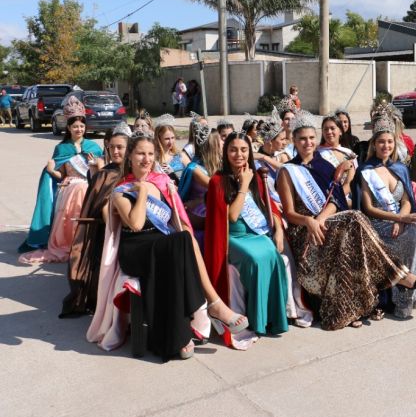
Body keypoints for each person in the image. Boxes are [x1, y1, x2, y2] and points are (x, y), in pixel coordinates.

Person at [88, 133, 249, 361]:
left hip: (161, 241)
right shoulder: (122, 189)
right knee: (181, 241)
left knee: (184, 239)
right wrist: (142, 192)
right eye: (141, 153)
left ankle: (182, 333)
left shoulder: (161, 182)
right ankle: (213, 305)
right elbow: (134, 224)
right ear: (130, 157)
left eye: (151, 154)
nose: (146, 159)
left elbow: (176, 219)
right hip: (136, 249)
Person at [276, 110, 416, 329]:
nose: (308, 142)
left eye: (311, 138)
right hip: (305, 232)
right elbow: (289, 213)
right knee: (355, 218)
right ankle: (397, 274)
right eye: (302, 139)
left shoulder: (324, 165)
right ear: (294, 140)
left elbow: (336, 199)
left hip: (326, 224)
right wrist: (310, 222)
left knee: (353, 236)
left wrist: (320, 218)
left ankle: (350, 309)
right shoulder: (287, 171)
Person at [204, 132, 289, 348]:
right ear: (226, 153)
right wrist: (243, 186)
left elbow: (268, 205)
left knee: (273, 255)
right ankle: (256, 321)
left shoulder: (256, 176)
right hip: (232, 237)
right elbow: (231, 216)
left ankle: (273, 319)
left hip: (255, 232)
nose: (239, 154)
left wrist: (278, 229)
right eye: (233, 150)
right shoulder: (217, 180)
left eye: (243, 150)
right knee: (254, 258)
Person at [355, 115, 416, 317]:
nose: (386, 145)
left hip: (399, 220)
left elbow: (407, 201)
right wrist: (397, 219)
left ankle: (413, 291)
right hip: (377, 224)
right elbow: (368, 208)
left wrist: (401, 217)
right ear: (374, 144)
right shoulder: (366, 170)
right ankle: (405, 291)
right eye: (381, 141)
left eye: (390, 141)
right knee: (409, 230)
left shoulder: (400, 168)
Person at [60, 124, 131, 317]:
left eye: (120, 147)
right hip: (105, 230)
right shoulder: (105, 173)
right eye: (112, 147)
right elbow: (95, 203)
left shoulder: (134, 172)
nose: (115, 151)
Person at [19, 97, 103, 259]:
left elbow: (101, 172)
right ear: (69, 128)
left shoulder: (94, 147)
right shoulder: (61, 148)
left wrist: (95, 164)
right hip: (69, 188)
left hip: (88, 186)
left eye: (82, 126)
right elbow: (61, 175)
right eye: (75, 126)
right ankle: (69, 244)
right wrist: (51, 170)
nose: (79, 129)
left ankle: (86, 243)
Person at [178, 125, 221, 235]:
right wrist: (199, 201)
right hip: (198, 211)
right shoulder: (195, 168)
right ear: (212, 146)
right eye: (219, 139)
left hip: (207, 204)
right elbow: (217, 187)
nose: (223, 142)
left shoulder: (218, 163)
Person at [318, 115, 357, 206]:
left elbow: (349, 183)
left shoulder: (349, 154)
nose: (329, 132)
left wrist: (334, 199)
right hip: (321, 199)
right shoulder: (316, 153)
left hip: (343, 200)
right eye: (325, 129)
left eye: (332, 128)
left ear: (340, 131)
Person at [154, 115, 187, 180]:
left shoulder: (180, 155)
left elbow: (191, 175)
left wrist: (174, 174)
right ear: (159, 139)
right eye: (167, 139)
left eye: (172, 138)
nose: (171, 142)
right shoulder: (153, 157)